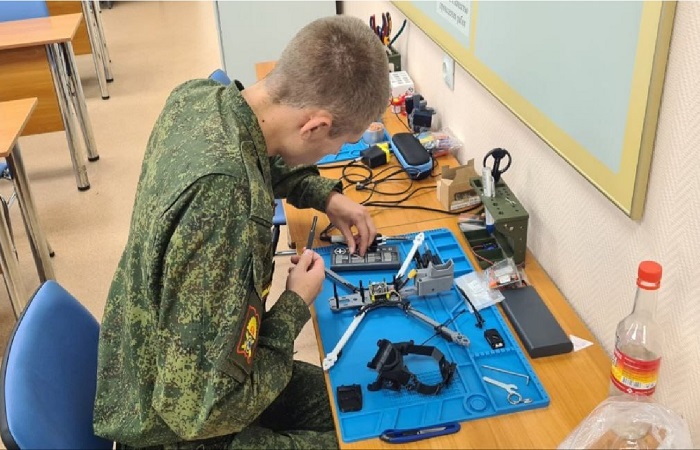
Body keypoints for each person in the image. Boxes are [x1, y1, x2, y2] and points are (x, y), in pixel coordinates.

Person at [92, 14, 390, 450]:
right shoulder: (223, 208)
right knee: (371, 440)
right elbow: (202, 413)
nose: (335, 151)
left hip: (175, 368)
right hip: (177, 427)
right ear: (315, 126)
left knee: (369, 405)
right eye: (340, 143)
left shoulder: (198, 98)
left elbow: (254, 155)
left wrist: (324, 195)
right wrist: (294, 303)